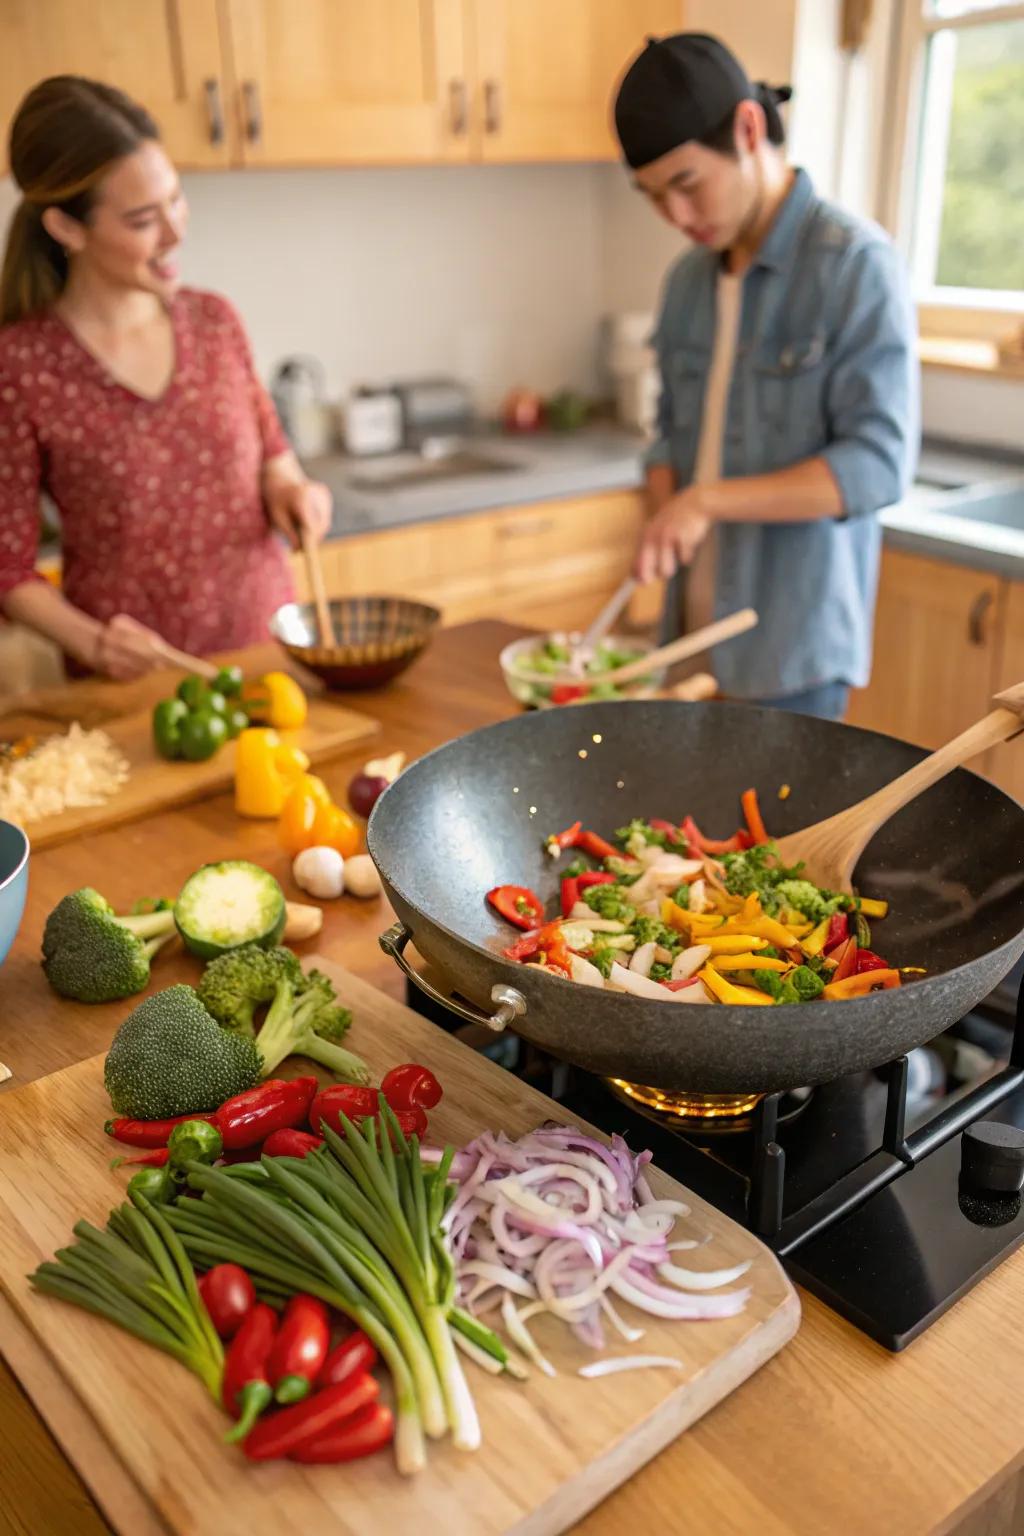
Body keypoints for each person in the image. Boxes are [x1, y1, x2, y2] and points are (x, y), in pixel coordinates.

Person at [613, 34, 918, 720]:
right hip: (686, 641)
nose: (677, 217)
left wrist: (706, 501)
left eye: (687, 184)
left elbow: (877, 467)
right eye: (654, 197)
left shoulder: (855, 266)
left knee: (784, 831)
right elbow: (666, 435)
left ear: (748, 129)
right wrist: (666, 507)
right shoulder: (687, 279)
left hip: (791, 655)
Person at [0, 76, 331, 680]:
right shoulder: (22, 367)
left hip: (268, 657)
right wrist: (95, 643)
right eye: (144, 219)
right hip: (135, 686)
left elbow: (272, 457)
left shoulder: (215, 321)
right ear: (68, 229)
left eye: (176, 199)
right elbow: (9, 568)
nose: (177, 231)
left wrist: (294, 492)